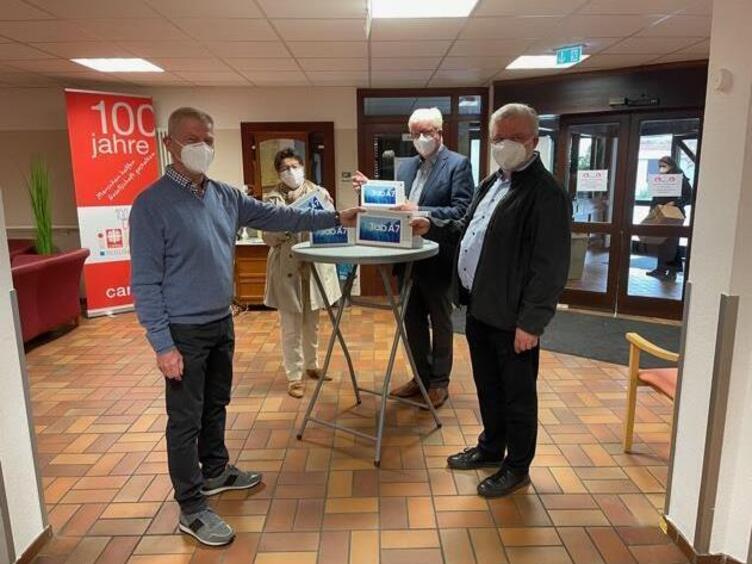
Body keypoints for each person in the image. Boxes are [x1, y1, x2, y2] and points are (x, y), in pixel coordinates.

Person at [130, 107, 361, 547]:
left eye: (209, 139)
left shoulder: (224, 196)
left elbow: (283, 219)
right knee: (184, 420)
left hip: (220, 321)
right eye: (193, 138)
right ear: (170, 143)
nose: (203, 147)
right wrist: (162, 344)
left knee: (216, 403)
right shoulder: (151, 205)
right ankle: (192, 507)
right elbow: (144, 281)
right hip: (182, 330)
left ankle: (215, 471)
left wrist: (336, 217)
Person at [410, 103, 571, 498]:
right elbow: (468, 227)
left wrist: (531, 324)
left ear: (534, 141)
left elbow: (549, 267)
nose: (504, 145)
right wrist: (433, 224)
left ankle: (516, 467)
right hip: (481, 307)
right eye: (499, 138)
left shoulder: (545, 193)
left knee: (517, 395)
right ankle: (489, 447)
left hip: (513, 317)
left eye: (515, 138)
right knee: (489, 387)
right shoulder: (493, 182)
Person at [352, 107, 474, 409]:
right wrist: (371, 190)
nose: (420, 138)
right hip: (407, 256)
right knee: (413, 321)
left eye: (426, 132)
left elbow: (462, 211)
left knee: (441, 321)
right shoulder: (405, 166)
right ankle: (420, 377)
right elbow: (395, 204)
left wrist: (419, 212)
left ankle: (439, 383)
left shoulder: (458, 165)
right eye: (415, 133)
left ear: (439, 133)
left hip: (438, 256)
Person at [262, 148, 342, 399]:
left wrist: (329, 206)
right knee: (291, 326)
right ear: (278, 172)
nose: (292, 172)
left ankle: (312, 365)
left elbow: (332, 225)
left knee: (313, 322)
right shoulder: (271, 199)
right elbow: (268, 237)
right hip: (287, 268)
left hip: (314, 265)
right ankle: (294, 376)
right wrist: (289, 222)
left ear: (303, 168)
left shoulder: (318, 193)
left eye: (295, 166)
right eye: (285, 168)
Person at [647, 155, 693, 280]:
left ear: (672, 166)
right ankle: (661, 269)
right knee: (662, 241)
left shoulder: (681, 180)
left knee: (672, 242)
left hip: (675, 214)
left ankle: (672, 272)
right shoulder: (660, 179)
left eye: (664, 165)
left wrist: (675, 203)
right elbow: (655, 197)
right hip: (661, 213)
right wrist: (652, 210)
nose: (661, 168)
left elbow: (689, 197)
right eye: (660, 166)